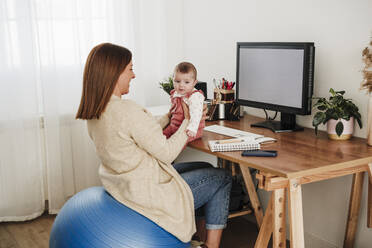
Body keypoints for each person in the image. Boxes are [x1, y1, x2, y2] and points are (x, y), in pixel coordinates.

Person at [76, 43, 232, 248]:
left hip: (125, 184)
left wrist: (169, 118)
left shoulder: (96, 112)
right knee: (222, 177)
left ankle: (198, 239)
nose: (133, 75)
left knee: (206, 168)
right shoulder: (127, 111)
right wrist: (188, 121)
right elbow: (166, 154)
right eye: (130, 69)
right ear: (114, 73)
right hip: (147, 194)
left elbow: (138, 136)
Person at [163, 62, 205, 143]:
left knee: (177, 142)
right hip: (174, 126)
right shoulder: (175, 93)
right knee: (160, 137)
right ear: (173, 80)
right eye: (177, 81)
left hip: (190, 129)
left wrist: (192, 129)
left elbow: (196, 114)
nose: (181, 85)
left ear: (194, 82)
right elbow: (173, 110)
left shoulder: (195, 96)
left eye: (186, 82)